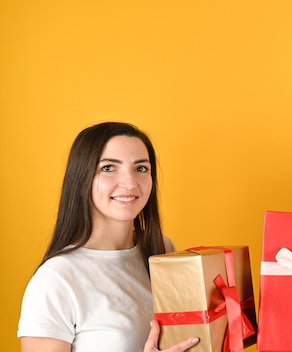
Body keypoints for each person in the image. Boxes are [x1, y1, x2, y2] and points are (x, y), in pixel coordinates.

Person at [18, 122, 199, 352]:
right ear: (81, 178)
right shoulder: (56, 280)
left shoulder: (161, 248)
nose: (130, 183)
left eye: (141, 168)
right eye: (108, 168)